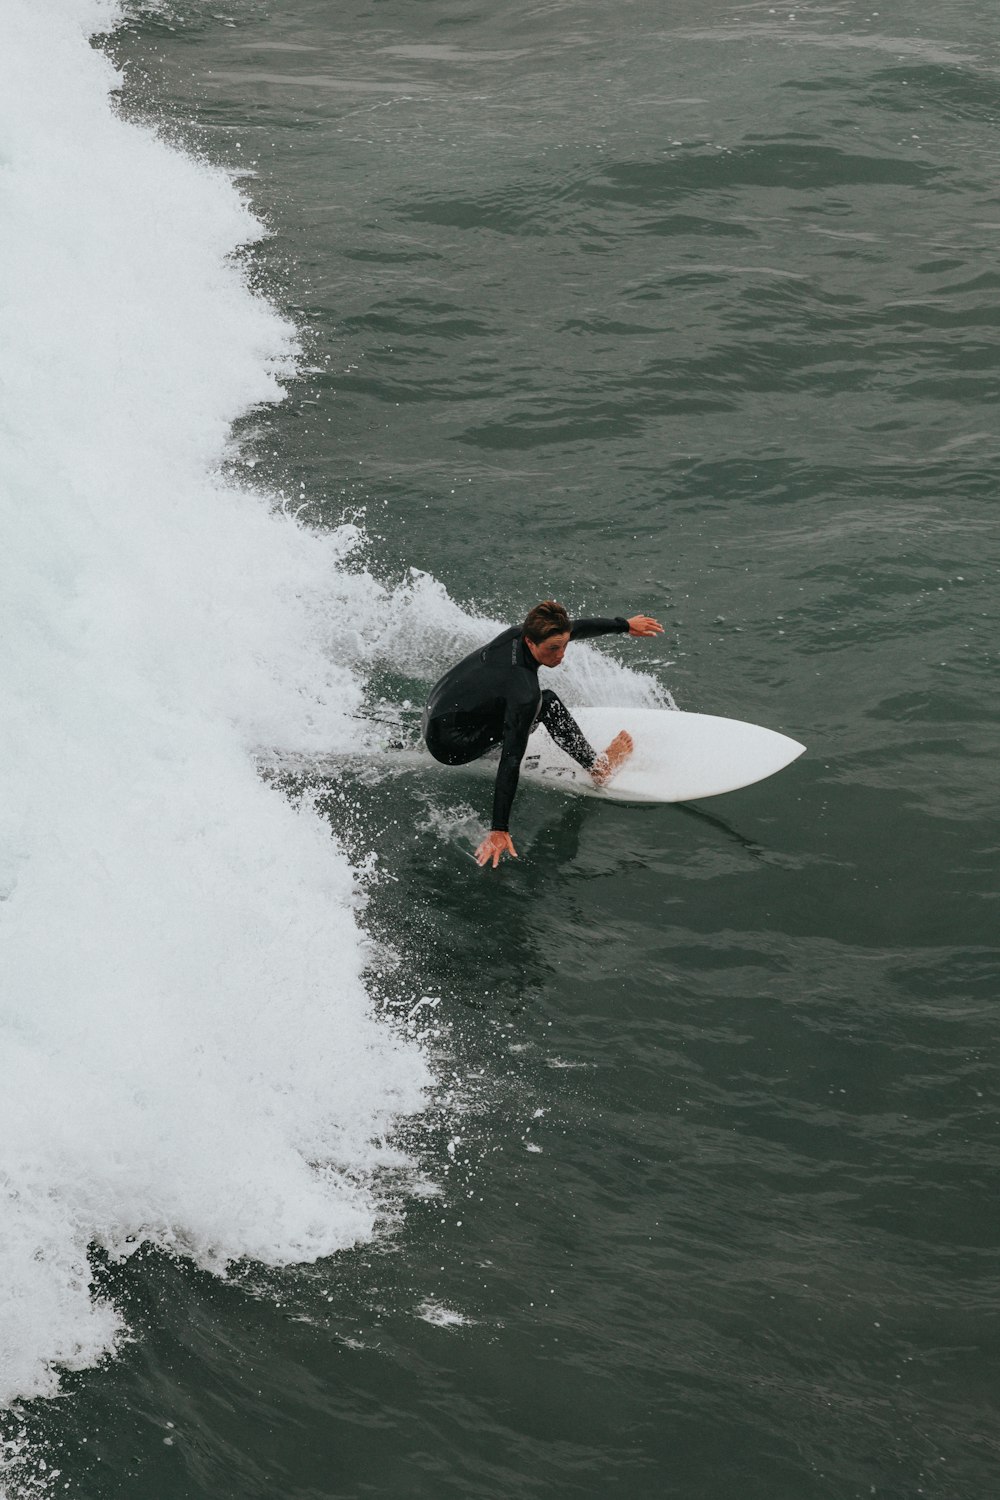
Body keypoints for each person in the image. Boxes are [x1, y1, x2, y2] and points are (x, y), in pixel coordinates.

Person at [422, 600, 664, 868]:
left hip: (436, 713)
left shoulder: (517, 635)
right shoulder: (523, 690)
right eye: (552, 648)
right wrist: (499, 829)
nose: (560, 655)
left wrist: (624, 625)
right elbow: (512, 759)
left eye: (563, 645)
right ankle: (597, 767)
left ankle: (489, 737)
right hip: (451, 745)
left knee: (516, 702)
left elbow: (576, 628)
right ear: (531, 642)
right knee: (545, 704)